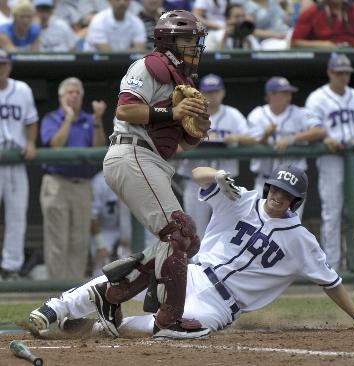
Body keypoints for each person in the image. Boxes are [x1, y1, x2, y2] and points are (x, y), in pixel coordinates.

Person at [28, 164, 354, 338]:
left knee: (171, 331)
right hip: (192, 273)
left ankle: (102, 329)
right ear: (268, 185)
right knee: (130, 270)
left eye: (286, 194)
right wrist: (217, 174)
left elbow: (330, 282)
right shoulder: (242, 199)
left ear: (296, 201)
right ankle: (54, 309)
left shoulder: (301, 240)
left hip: (219, 305)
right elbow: (197, 175)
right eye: (275, 188)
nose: (277, 197)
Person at [37, 10, 210, 340]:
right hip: (131, 152)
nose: (194, 47)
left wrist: (196, 129)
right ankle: (169, 320)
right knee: (179, 230)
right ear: (168, 40)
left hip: (152, 160)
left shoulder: (183, 81)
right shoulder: (149, 66)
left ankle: (111, 295)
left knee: (186, 241)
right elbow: (126, 109)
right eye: (189, 40)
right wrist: (172, 112)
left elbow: (182, 143)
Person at [305, 54, 354, 271]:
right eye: (339, 72)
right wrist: (324, 138)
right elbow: (314, 128)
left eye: (346, 73)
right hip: (331, 160)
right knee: (332, 214)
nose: (343, 77)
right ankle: (332, 267)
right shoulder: (317, 98)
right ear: (330, 73)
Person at [40, 77, 107, 280]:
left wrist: (97, 121)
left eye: (78, 92)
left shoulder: (89, 119)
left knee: (79, 241)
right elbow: (55, 145)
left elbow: (99, 148)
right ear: (61, 97)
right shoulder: (52, 118)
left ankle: (72, 292)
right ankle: (55, 292)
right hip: (57, 183)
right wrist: (68, 118)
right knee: (57, 240)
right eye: (70, 92)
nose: (74, 96)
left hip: (82, 185)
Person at [177, 73, 251, 238]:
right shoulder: (189, 114)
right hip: (194, 181)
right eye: (208, 92)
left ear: (223, 92)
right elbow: (175, 147)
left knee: (228, 230)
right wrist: (194, 140)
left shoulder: (233, 115)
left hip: (225, 181)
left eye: (216, 91)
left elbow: (252, 139)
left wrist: (236, 138)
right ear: (200, 94)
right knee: (196, 231)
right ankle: (197, 264)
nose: (212, 95)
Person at [247, 76, 325, 218]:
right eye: (283, 92)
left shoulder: (300, 113)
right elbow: (251, 142)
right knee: (257, 223)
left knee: (289, 227)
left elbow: (320, 130)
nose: (288, 96)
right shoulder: (257, 115)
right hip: (264, 182)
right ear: (271, 95)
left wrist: (291, 139)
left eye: (289, 92)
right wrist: (265, 135)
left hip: (291, 186)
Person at [0, 49, 38, 280]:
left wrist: (31, 142)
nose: (1, 67)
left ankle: (11, 266)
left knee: (17, 214)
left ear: (9, 66)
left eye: (4, 63)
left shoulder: (22, 89)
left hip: (15, 159)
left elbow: (31, 121)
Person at [90, 171, 131, 277]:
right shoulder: (99, 182)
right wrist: (100, 246)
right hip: (105, 230)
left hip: (130, 230)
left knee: (135, 268)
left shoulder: (135, 177)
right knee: (102, 269)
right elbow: (93, 216)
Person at [290, 0, 354, 48]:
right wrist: (323, 45)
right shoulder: (312, 12)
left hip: (353, 57)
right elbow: (294, 42)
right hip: (323, 59)